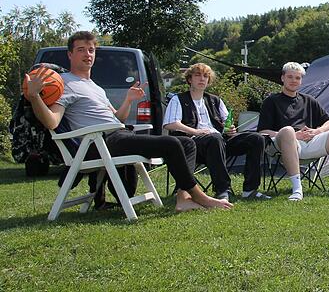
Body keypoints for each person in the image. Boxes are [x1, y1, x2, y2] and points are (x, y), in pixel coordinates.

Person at [24, 31, 232, 212]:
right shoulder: (64, 83)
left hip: (117, 136)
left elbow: (118, 118)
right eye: (81, 50)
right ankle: (200, 197)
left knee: (186, 143)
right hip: (99, 143)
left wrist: (129, 100)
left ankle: (183, 198)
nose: (88, 54)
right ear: (70, 54)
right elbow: (52, 122)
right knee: (171, 143)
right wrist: (35, 97)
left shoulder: (94, 86)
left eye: (91, 50)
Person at [164, 63, 270, 202]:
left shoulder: (215, 100)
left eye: (205, 76)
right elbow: (170, 124)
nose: (202, 79)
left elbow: (227, 123)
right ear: (190, 79)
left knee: (256, 138)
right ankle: (222, 189)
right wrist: (196, 131)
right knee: (214, 138)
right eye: (197, 75)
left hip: (220, 142)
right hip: (193, 144)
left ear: (209, 80)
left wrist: (231, 129)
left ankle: (250, 190)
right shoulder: (178, 99)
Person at [257, 62, 329, 201]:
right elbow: (262, 131)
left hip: (309, 142)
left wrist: (317, 131)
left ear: (301, 81)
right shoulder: (271, 101)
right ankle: (297, 189)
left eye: (297, 78)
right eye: (290, 77)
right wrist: (292, 135)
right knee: (288, 130)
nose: (293, 81)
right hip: (282, 143)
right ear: (283, 78)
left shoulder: (309, 100)